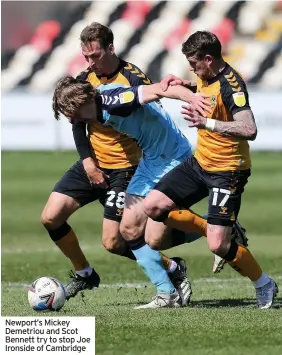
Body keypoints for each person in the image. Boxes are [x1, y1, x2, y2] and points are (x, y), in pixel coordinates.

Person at [41, 22, 196, 302]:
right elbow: (78, 123)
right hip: (94, 163)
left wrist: (190, 95)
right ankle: (84, 273)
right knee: (51, 216)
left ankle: (174, 265)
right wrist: (88, 162)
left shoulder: (131, 80)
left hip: (126, 168)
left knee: (115, 241)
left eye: (95, 56)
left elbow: (154, 107)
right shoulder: (84, 81)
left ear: (110, 48)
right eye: (85, 57)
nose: (89, 63)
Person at [52, 75, 214, 308]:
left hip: (172, 159)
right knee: (128, 230)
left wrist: (192, 97)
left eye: (69, 112)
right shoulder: (95, 106)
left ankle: (215, 227)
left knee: (155, 238)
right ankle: (167, 294)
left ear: (79, 106)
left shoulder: (116, 100)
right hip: (150, 161)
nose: (69, 118)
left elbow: (159, 90)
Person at [142, 31, 278, 309]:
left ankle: (264, 282)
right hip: (200, 163)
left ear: (208, 58)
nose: (191, 68)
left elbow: (249, 129)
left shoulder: (233, 86)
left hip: (228, 172)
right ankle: (218, 227)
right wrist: (185, 85)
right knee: (153, 206)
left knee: (218, 246)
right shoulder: (206, 75)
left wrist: (208, 124)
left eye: (193, 63)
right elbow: (204, 91)